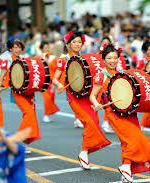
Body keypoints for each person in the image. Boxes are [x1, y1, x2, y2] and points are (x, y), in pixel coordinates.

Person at [90, 44, 150, 182]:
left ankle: (126, 170)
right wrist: (96, 104)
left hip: (128, 112)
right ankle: (126, 167)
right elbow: (92, 95)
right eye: (109, 58)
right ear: (103, 59)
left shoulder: (122, 73)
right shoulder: (101, 76)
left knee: (127, 142)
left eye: (115, 58)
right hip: (113, 113)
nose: (112, 60)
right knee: (134, 138)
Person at [53, 31, 111, 169]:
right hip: (74, 97)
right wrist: (60, 85)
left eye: (79, 42)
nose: (77, 44)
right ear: (68, 45)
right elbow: (54, 78)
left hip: (88, 96)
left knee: (94, 123)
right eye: (74, 42)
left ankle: (84, 153)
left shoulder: (86, 58)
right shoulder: (64, 59)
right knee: (89, 122)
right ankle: (85, 152)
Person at [0, 38, 41, 145]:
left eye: (19, 47)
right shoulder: (7, 61)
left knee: (30, 115)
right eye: (15, 47)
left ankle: (26, 143)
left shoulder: (25, 59)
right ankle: (17, 140)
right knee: (28, 113)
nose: (17, 49)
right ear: (11, 49)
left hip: (29, 91)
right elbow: (1, 77)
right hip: (17, 92)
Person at [38, 41, 59, 123]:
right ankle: (46, 115)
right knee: (47, 98)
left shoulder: (53, 57)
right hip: (43, 81)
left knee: (51, 97)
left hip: (51, 80)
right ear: (42, 49)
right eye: (45, 48)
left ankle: (49, 114)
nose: (46, 49)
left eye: (47, 47)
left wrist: (47, 62)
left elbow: (55, 68)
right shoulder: (38, 57)